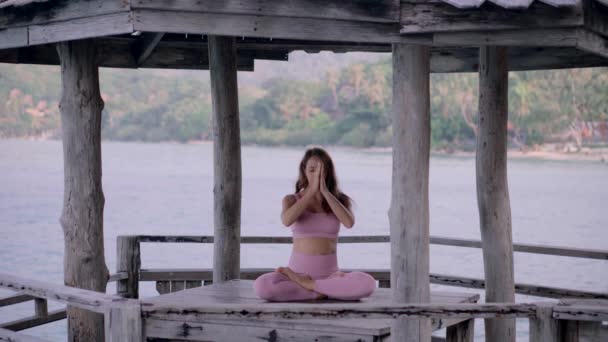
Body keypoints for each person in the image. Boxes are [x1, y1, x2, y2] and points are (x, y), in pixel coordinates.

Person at [253, 147, 376, 301]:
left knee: (368, 284)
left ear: (328, 172)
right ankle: (321, 290)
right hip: (296, 275)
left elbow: (349, 223)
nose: (317, 175)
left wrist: (325, 192)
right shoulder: (291, 199)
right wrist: (311, 191)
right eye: (312, 170)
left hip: (330, 277)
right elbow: (286, 221)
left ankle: (312, 287)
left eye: (322, 170)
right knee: (262, 285)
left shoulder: (339, 200)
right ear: (304, 171)